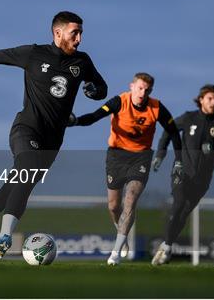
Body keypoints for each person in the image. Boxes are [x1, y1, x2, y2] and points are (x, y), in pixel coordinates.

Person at [0, 11, 108, 263]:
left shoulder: (83, 62)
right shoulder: (33, 53)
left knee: (12, 191)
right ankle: (5, 238)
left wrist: (95, 92)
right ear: (57, 32)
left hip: (53, 142)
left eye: (81, 33)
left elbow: (101, 88)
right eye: (75, 33)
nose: (80, 39)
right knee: (25, 172)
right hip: (26, 129)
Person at [68, 72, 182, 266]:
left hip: (141, 158)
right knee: (114, 206)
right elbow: (95, 116)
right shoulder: (119, 101)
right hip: (116, 156)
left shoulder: (156, 107)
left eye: (146, 90)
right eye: (139, 88)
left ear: (150, 91)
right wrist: (76, 121)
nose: (142, 93)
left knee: (130, 201)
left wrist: (178, 159)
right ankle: (120, 229)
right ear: (131, 86)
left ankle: (115, 253)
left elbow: (173, 132)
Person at [151, 84, 214, 265]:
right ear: (201, 99)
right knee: (179, 203)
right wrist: (160, 154)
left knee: (183, 215)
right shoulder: (189, 117)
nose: (213, 102)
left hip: (202, 179)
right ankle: (165, 249)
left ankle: (166, 246)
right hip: (181, 170)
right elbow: (168, 130)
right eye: (210, 98)